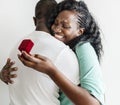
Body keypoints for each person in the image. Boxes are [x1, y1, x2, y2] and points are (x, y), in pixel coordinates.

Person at [18, 0, 105, 105]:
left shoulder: (83, 48)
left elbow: (93, 103)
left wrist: (52, 71)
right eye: (55, 23)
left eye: (65, 26)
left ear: (80, 31)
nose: (56, 29)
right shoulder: (60, 47)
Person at [0, 0, 80, 105]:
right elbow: (81, 94)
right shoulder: (62, 52)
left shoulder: (15, 47)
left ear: (34, 20)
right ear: (55, 20)